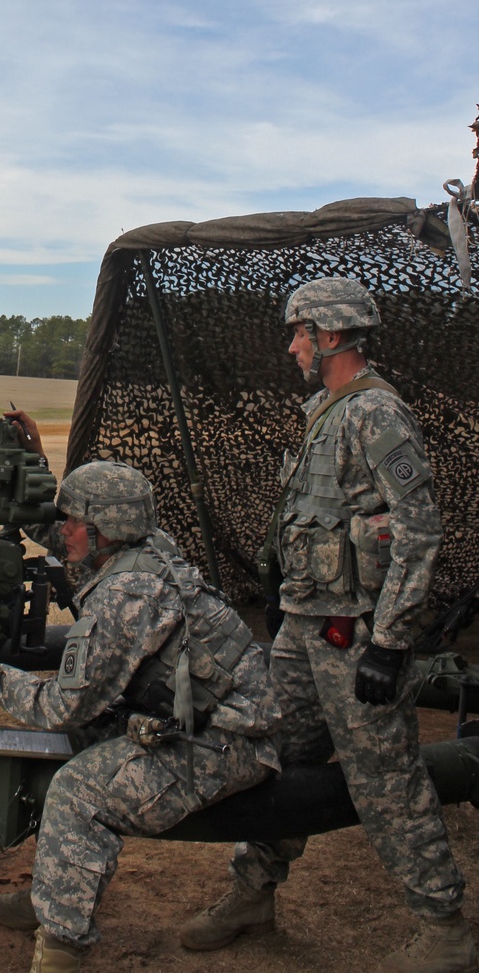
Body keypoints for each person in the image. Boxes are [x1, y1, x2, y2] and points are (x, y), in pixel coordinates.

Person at [180, 277, 476, 973]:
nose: (291, 346)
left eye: (299, 333)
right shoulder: (328, 411)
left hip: (356, 637)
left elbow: (420, 530)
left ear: (331, 337)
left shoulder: (377, 415)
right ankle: (252, 892)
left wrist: (394, 642)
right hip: (306, 627)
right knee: (274, 750)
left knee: (386, 778)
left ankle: (445, 928)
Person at [0, 439, 282, 973]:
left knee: (78, 790)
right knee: (75, 748)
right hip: (197, 716)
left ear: (105, 528)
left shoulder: (126, 595)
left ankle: (61, 949)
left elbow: (61, 706)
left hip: (227, 740)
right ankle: (51, 894)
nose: (65, 533)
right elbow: (59, 532)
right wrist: (31, 461)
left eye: (75, 522)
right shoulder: (143, 545)